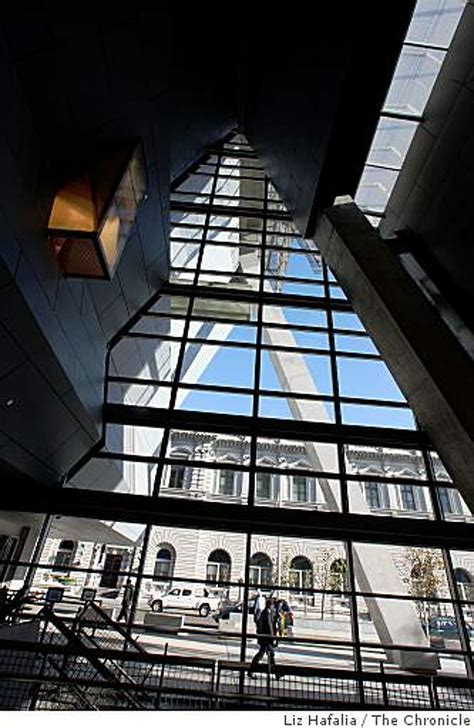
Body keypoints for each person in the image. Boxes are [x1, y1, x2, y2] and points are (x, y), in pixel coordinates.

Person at [248, 597, 280, 678]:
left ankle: (276, 673)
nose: (274, 608)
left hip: (266, 638)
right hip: (266, 638)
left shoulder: (268, 613)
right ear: (270, 605)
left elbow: (272, 625)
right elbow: (267, 627)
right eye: (273, 606)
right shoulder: (266, 614)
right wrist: (272, 638)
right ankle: (251, 670)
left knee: (267, 655)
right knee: (264, 655)